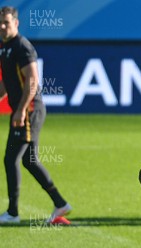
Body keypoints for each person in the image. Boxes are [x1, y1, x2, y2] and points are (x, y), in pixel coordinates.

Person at [0, 6, 71, 224]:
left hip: (29, 110)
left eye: (7, 23)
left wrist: (20, 110)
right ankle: (60, 203)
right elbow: (7, 82)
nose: (3, 27)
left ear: (16, 23)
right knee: (30, 161)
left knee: (11, 158)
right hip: (25, 110)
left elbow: (32, 81)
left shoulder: (22, 47)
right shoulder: (5, 48)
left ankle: (12, 212)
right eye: (0, 23)